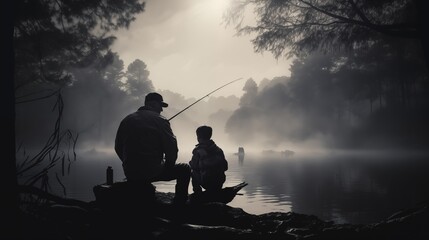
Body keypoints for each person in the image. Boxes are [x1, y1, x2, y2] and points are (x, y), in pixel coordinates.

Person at [114, 92, 190, 204]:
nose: (162, 110)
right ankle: (180, 205)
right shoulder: (161, 120)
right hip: (152, 171)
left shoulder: (126, 120)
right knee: (185, 169)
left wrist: (129, 164)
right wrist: (168, 165)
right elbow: (171, 149)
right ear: (153, 104)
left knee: (142, 174)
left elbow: (117, 147)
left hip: (131, 173)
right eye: (160, 106)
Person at [189, 125, 228, 194]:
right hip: (219, 181)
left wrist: (191, 163)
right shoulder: (218, 149)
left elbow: (194, 166)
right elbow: (225, 167)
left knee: (192, 172)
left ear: (198, 137)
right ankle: (217, 190)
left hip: (206, 182)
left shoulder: (197, 151)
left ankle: (197, 193)